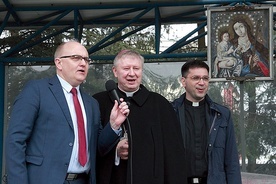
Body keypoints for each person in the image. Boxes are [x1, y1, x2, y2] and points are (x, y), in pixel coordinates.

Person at [5, 40, 129, 184]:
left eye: (86, 59)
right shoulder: (36, 91)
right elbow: (15, 141)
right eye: (76, 58)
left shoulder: (91, 104)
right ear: (59, 63)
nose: (83, 63)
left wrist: (113, 125)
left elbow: (98, 148)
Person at [93, 49, 187, 184]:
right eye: (126, 68)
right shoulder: (98, 102)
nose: (132, 73)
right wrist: (115, 151)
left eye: (136, 68)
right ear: (115, 71)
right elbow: (88, 148)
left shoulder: (160, 105)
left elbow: (174, 155)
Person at [172, 60, 242, 184]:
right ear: (183, 81)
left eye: (205, 78)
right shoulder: (170, 112)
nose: (201, 83)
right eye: (196, 78)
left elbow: (232, 161)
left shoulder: (222, 114)